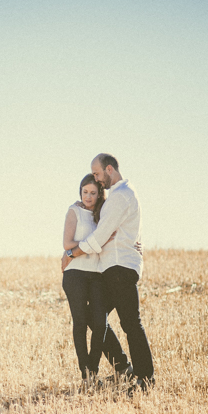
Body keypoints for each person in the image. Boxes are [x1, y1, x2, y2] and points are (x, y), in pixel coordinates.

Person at [61, 153, 154, 393]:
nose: (96, 179)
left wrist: (72, 254)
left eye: (98, 174)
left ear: (109, 169)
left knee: (131, 323)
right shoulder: (120, 196)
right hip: (112, 268)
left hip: (119, 268)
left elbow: (100, 236)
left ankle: (145, 379)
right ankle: (124, 368)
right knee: (95, 318)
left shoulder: (121, 196)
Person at [61, 174, 126, 385]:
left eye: (93, 193)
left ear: (100, 195)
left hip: (97, 275)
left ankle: (94, 367)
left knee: (100, 324)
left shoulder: (104, 215)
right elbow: (67, 243)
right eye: (85, 192)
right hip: (75, 273)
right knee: (80, 323)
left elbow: (115, 236)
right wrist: (96, 242)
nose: (88, 197)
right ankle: (88, 376)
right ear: (80, 192)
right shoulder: (74, 211)